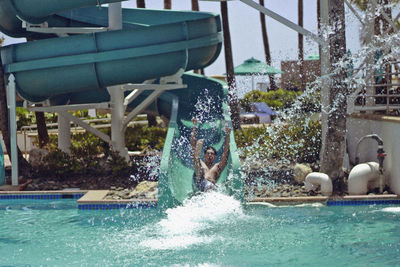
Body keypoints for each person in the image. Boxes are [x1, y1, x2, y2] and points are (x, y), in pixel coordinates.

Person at [190, 118, 231, 192]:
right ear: (204, 155)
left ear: (215, 157)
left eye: (212, 154)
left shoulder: (218, 166)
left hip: (211, 187)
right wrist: (195, 126)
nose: (210, 155)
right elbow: (192, 149)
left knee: (210, 185)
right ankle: (198, 152)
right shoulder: (201, 162)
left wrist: (228, 135)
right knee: (196, 160)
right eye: (208, 153)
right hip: (200, 184)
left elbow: (226, 153)